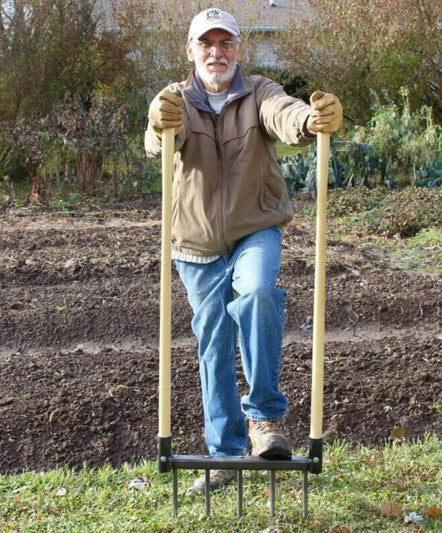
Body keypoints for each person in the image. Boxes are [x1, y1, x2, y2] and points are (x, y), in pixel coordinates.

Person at [145, 7, 342, 495]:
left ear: (239, 50)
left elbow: (284, 113)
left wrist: (310, 119)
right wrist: (155, 123)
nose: (217, 52)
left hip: (255, 229)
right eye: (206, 44)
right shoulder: (176, 100)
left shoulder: (259, 92)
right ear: (190, 51)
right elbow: (156, 139)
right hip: (194, 245)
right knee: (213, 342)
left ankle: (264, 422)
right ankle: (225, 455)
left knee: (255, 294)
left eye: (225, 43)